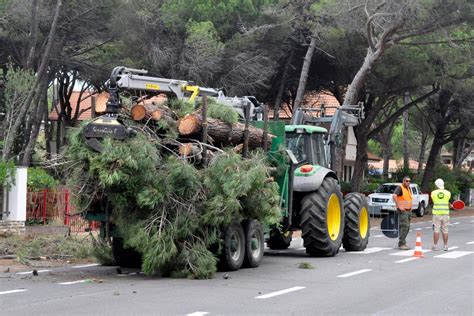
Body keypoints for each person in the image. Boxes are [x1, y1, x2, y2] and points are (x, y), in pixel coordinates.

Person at [430, 178, 452, 251]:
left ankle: (435, 246)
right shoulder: (448, 193)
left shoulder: (433, 193)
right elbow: (447, 202)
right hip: (445, 214)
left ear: (436, 185)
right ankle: (445, 246)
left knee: (436, 230)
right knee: (445, 230)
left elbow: (434, 201)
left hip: (436, 214)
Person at [392, 176, 413, 250]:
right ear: (403, 181)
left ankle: (403, 242)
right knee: (404, 226)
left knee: (407, 227)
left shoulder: (408, 188)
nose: (408, 182)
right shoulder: (400, 188)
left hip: (408, 210)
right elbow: (394, 196)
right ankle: (401, 244)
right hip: (403, 210)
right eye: (406, 181)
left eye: (409, 181)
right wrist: (399, 206)